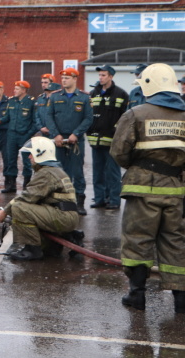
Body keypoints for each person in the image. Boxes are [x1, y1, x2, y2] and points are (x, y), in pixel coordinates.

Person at [109, 63, 185, 313]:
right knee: (175, 243)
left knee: (138, 240)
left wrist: (139, 166)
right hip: (177, 191)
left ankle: (137, 295)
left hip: (142, 189)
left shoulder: (136, 114)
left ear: (149, 86)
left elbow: (119, 152)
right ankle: (181, 301)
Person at [0, 137, 80, 261]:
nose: (29, 157)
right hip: (63, 215)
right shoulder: (53, 170)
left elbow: (27, 197)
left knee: (19, 208)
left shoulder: (46, 173)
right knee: (31, 212)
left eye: (31, 154)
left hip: (62, 217)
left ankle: (31, 250)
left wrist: (5, 211)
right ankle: (60, 242)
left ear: (41, 153)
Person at [46, 68, 94, 215]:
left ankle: (79, 201)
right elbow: (49, 117)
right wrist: (55, 135)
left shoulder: (85, 97)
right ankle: (63, 201)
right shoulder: (54, 97)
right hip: (59, 139)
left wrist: (76, 134)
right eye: (63, 78)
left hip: (75, 140)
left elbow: (88, 118)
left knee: (77, 171)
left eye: (67, 78)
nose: (64, 80)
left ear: (75, 79)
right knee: (60, 171)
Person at [86, 65, 129, 210]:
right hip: (95, 140)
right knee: (97, 172)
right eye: (100, 75)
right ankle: (100, 199)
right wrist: (90, 131)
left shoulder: (121, 94)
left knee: (113, 172)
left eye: (103, 75)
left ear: (111, 76)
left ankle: (114, 200)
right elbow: (88, 115)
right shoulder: (93, 93)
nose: (100, 78)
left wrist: (117, 133)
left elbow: (125, 117)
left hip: (112, 141)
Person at [0, 81, 36, 192]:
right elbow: (7, 117)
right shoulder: (12, 101)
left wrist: (29, 134)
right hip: (11, 135)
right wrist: (0, 120)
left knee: (26, 161)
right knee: (11, 160)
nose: (14, 90)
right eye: (14, 88)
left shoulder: (31, 102)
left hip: (25, 135)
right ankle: (11, 185)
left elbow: (35, 122)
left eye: (17, 89)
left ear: (24, 90)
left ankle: (26, 185)